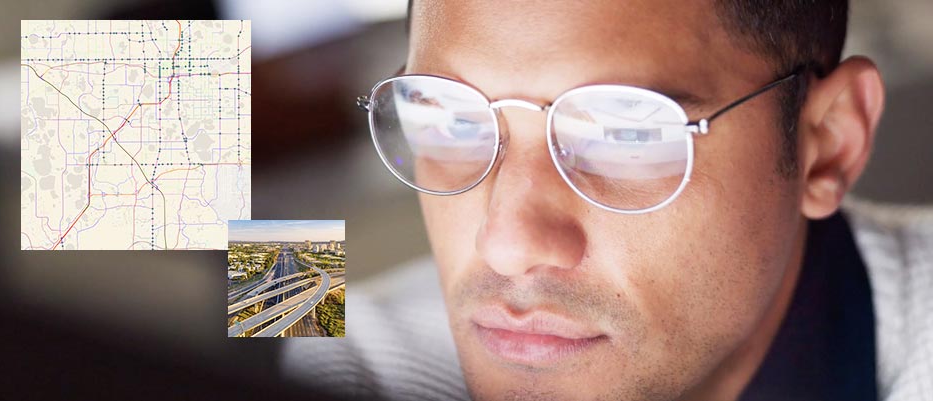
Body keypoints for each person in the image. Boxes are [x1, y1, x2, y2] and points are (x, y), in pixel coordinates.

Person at [285, 1, 933, 400]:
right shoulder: (319, 313)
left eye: (627, 131)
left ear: (828, 144)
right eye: (452, 118)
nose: (507, 243)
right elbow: (195, 285)